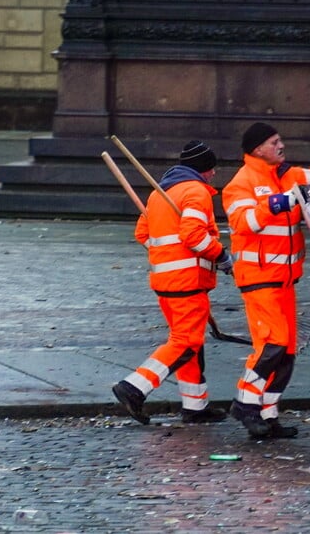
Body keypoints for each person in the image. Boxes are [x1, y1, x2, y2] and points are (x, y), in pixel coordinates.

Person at [223, 123, 310, 439]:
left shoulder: (287, 175)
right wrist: (278, 203)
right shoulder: (241, 184)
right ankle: (244, 403)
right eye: (274, 141)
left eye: (280, 139)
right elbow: (243, 221)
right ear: (257, 149)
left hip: (284, 280)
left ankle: (267, 415)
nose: (281, 145)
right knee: (273, 344)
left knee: (287, 350)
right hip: (259, 278)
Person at [112, 141, 234, 425]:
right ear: (202, 169)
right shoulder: (195, 192)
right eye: (211, 168)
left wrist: (169, 256)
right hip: (187, 281)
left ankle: (195, 407)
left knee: (189, 343)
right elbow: (194, 237)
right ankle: (134, 387)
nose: (214, 173)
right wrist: (222, 256)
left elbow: (143, 234)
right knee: (186, 342)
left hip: (165, 281)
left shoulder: (160, 194)